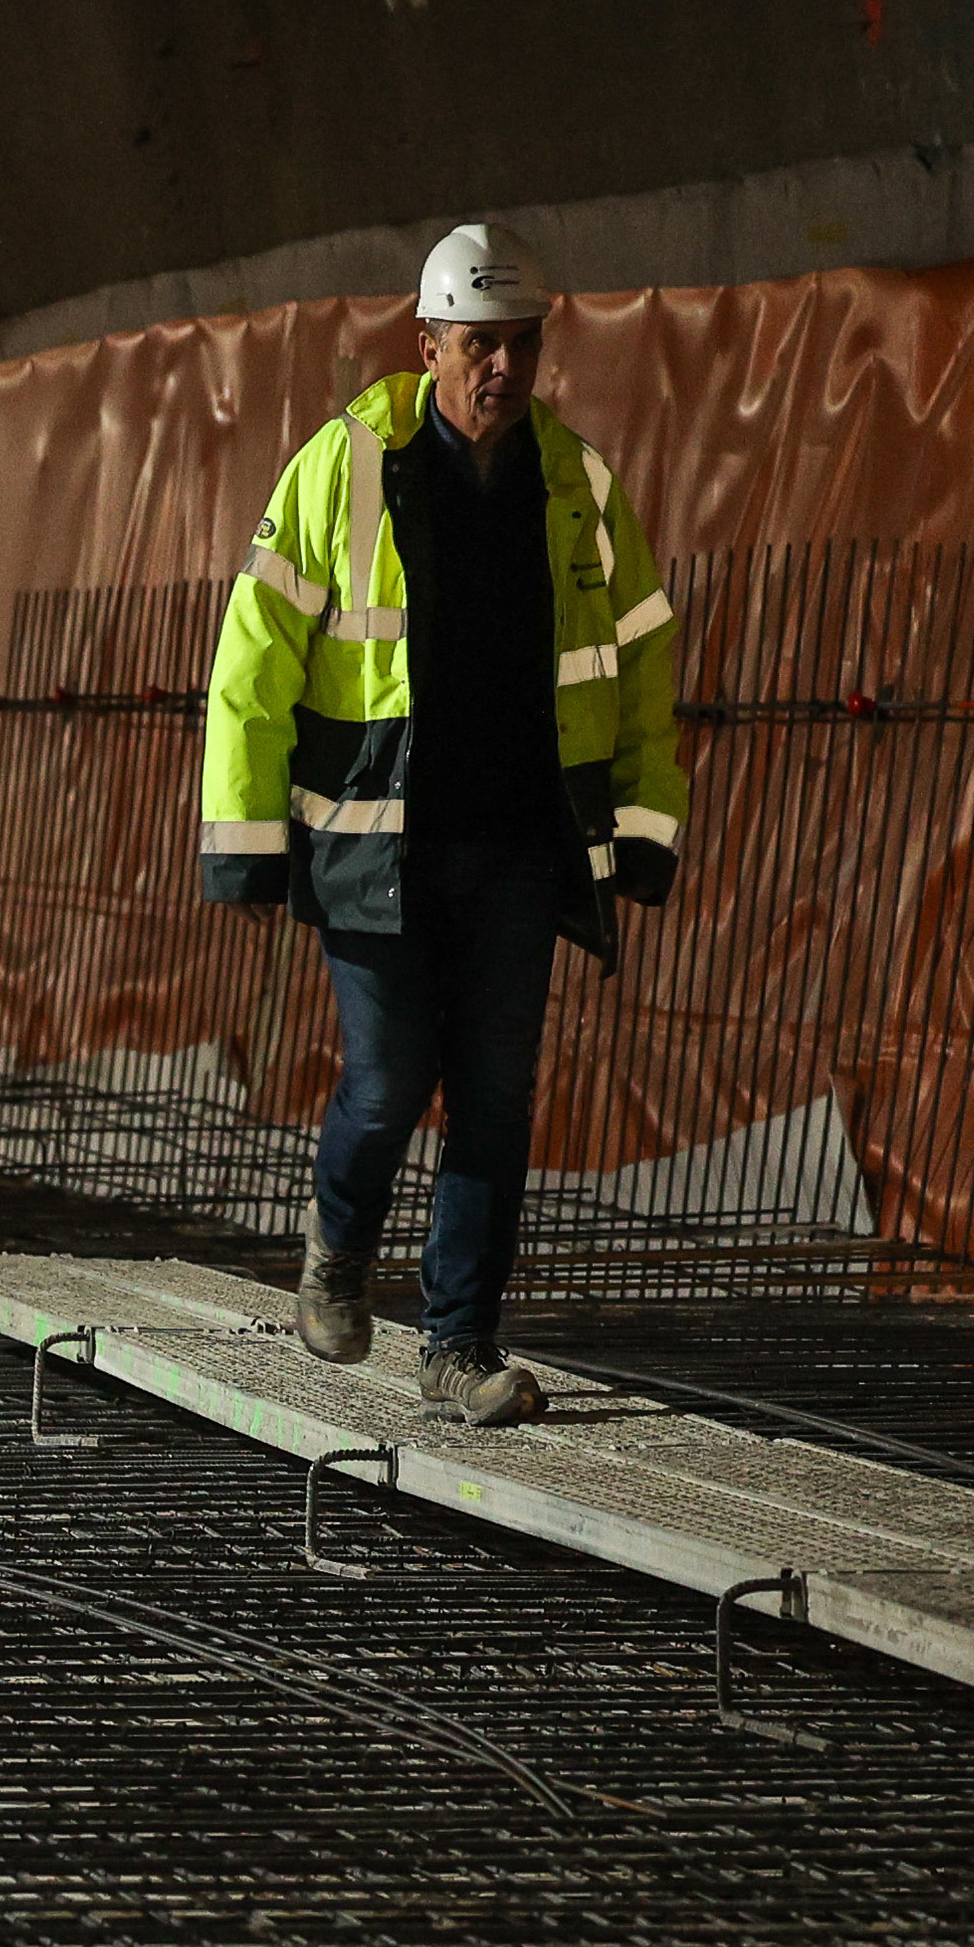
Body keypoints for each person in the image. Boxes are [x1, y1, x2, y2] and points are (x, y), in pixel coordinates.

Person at [196, 222, 690, 1427]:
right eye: (479, 344)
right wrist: (243, 836)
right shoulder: (340, 467)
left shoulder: (575, 484)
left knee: (495, 1095)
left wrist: (640, 822)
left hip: (523, 837)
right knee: (387, 1081)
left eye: (522, 345)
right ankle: (336, 1245)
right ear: (426, 343)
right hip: (376, 839)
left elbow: (640, 659)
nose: (503, 369)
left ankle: (459, 1344)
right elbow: (252, 662)